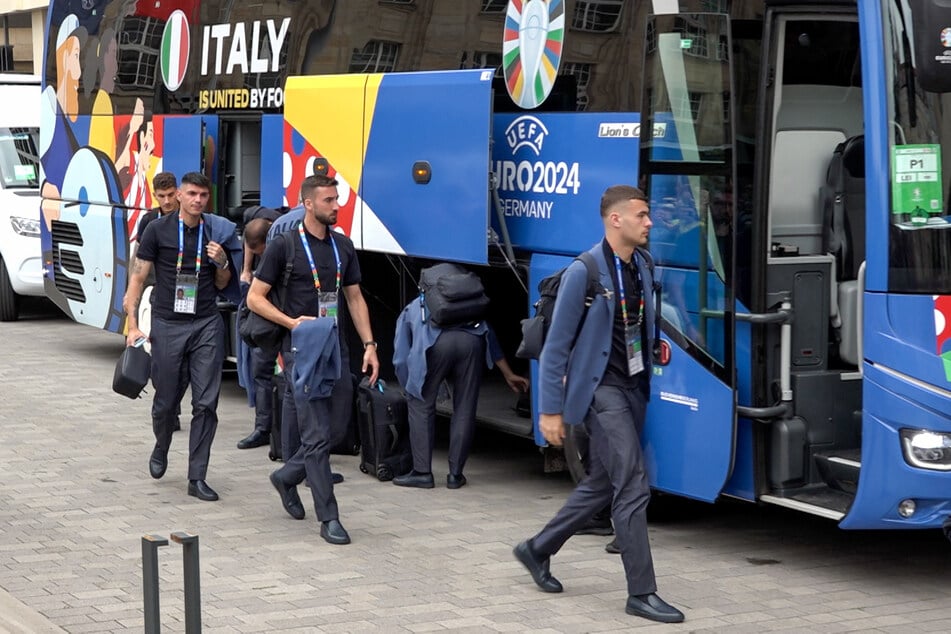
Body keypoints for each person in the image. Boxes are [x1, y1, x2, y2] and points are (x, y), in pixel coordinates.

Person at [512, 185, 684, 624]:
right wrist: (549, 411)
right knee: (632, 484)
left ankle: (537, 548)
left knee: (604, 482)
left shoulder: (642, 265)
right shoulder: (584, 272)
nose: (650, 222)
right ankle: (641, 593)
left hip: (634, 387)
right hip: (600, 391)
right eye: (642, 215)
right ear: (616, 220)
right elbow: (555, 348)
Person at [247, 174, 379, 545]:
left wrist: (370, 344)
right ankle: (329, 518)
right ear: (308, 203)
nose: (336, 206)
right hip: (300, 349)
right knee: (317, 436)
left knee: (337, 429)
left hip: (335, 346)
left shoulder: (342, 245)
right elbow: (256, 298)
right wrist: (291, 323)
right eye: (328, 201)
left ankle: (287, 476)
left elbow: (353, 298)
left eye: (337, 199)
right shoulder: (284, 246)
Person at [123, 172, 242, 502]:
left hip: (205, 322)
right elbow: (137, 277)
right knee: (165, 402)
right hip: (168, 324)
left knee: (206, 402)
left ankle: (197, 475)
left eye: (203, 195)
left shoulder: (214, 231)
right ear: (179, 197)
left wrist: (221, 263)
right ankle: (162, 444)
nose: (197, 200)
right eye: (191, 194)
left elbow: (222, 283)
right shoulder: (157, 230)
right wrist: (132, 325)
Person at [391, 290, 528, 489]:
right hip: (472, 344)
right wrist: (508, 374)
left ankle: (422, 473)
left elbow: (401, 358)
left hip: (435, 346)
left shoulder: (415, 305)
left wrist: (410, 387)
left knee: (421, 403)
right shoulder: (468, 302)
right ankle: (455, 475)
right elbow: (489, 335)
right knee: (464, 407)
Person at [136, 172, 188, 432]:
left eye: (171, 195)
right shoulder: (149, 221)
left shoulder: (189, 217)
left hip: (187, 297)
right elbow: (139, 264)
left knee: (184, 362)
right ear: (155, 195)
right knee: (158, 357)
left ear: (178, 192)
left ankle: (172, 403)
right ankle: (168, 408)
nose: (167, 201)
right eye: (162, 196)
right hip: (156, 295)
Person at [236, 211, 284, 451]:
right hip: (265, 315)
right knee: (261, 371)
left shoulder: (283, 240)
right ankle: (263, 428)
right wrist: (246, 268)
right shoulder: (255, 220)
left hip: (285, 312)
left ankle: (280, 429)